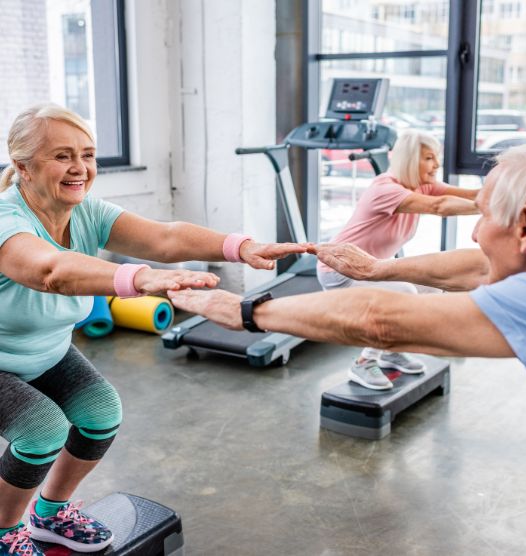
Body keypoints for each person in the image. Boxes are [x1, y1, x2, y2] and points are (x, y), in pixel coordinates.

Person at [168, 142, 526, 556]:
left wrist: (248, 313)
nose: (477, 232)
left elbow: (381, 322)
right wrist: (381, 270)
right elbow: (477, 268)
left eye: (483, 216)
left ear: (525, 226)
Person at [0, 104, 307, 555]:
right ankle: (5, 533)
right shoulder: (8, 221)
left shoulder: (84, 212)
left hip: (44, 350)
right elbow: (50, 271)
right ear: (23, 167)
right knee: (42, 430)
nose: (80, 168)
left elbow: (165, 237)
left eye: (87, 154)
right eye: (62, 156)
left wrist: (243, 247)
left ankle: (50, 515)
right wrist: (140, 279)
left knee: (101, 413)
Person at [317, 129, 478, 390]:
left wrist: (502, 193)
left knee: (432, 286)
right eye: (429, 158)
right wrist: (488, 207)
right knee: (404, 292)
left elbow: (463, 195)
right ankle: (363, 362)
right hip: (340, 270)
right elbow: (439, 207)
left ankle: (390, 351)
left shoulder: (420, 184)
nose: (437, 164)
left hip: (372, 269)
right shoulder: (385, 189)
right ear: (410, 159)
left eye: (436, 158)